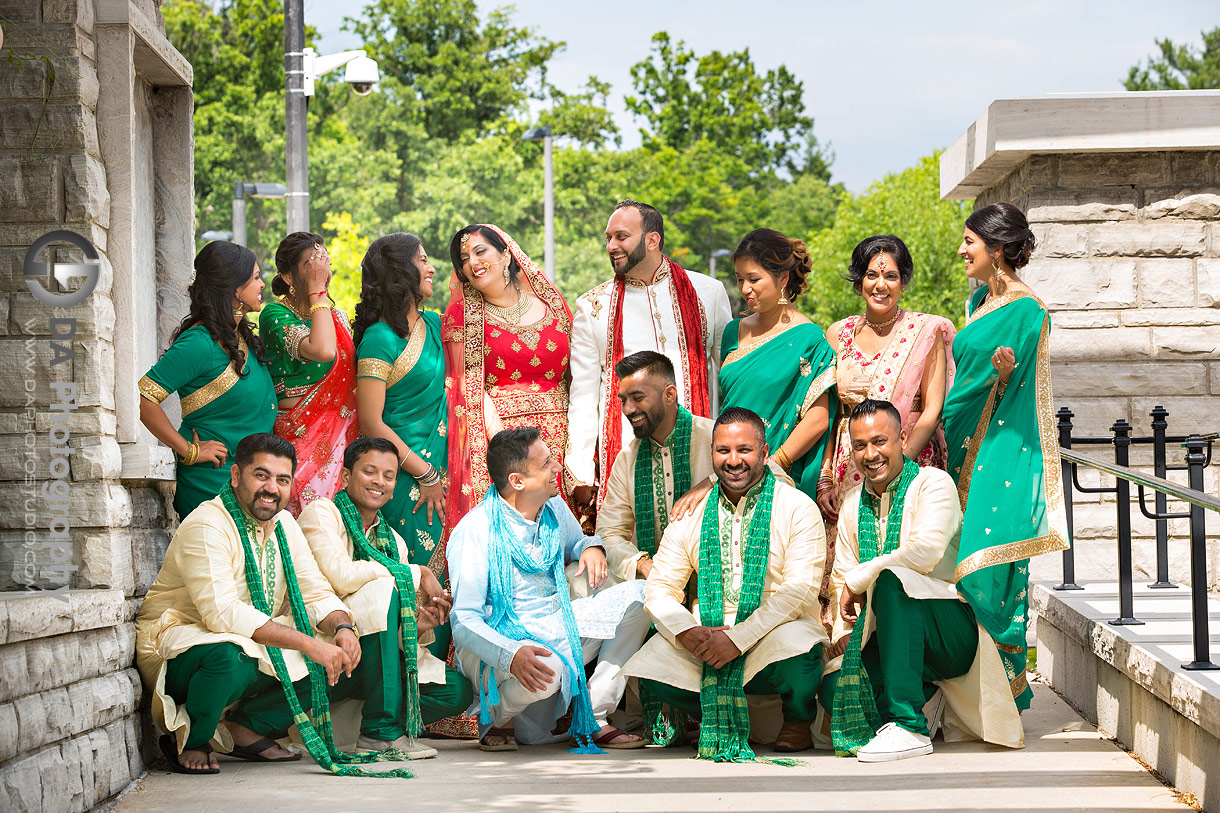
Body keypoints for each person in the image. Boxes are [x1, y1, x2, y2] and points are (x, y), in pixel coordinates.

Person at [134, 433, 412, 778]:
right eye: (261, 475)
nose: (271, 488)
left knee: (342, 656)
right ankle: (193, 741)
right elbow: (222, 614)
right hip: (183, 644)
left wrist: (342, 627)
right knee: (228, 656)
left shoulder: (283, 525)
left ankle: (246, 729)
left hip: (250, 642)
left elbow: (314, 591)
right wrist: (309, 644)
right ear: (236, 476)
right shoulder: (208, 524)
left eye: (282, 480)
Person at [623, 407, 829, 759]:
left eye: (744, 450)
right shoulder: (692, 514)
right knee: (651, 668)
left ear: (764, 453)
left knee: (799, 649)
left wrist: (738, 638)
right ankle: (716, 716)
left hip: (770, 636)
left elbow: (800, 591)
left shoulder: (796, 507)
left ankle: (797, 720)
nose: (733, 460)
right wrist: (687, 631)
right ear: (712, 454)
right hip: (707, 639)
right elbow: (660, 587)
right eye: (723, 451)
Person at [828, 399, 1022, 761]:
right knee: (834, 689)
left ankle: (909, 727)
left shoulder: (933, 483)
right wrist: (841, 632)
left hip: (949, 635)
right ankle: (924, 700)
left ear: (902, 438)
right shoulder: (853, 501)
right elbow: (842, 572)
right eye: (859, 446)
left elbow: (926, 551)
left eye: (880, 441)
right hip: (885, 635)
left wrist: (862, 578)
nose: (870, 454)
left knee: (891, 580)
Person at [448, 427, 651, 751]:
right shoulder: (475, 530)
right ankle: (496, 716)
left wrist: (590, 546)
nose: (557, 468)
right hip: (502, 636)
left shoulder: (553, 509)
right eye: (545, 465)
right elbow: (464, 621)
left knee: (641, 597)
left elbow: (577, 541)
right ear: (517, 481)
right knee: (549, 668)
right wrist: (510, 655)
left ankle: (595, 714)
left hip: (557, 622)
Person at [942, 202, 1068, 712]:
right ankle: (966, 693)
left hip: (997, 447)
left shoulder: (1028, 309)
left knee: (984, 571)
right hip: (958, 442)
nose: (961, 250)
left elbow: (1024, 389)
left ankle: (1000, 697)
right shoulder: (978, 303)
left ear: (996, 249)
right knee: (952, 566)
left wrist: (1006, 373)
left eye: (969, 242)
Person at [297, 437, 476, 759]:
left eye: (389, 476)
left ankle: (360, 726)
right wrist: (418, 572)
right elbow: (339, 576)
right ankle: (380, 732)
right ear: (347, 476)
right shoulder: (322, 514)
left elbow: (389, 628)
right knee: (381, 589)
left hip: (376, 654)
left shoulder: (392, 541)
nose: (379, 481)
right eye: (370, 471)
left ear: (394, 486)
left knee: (455, 691)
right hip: (329, 638)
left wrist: (416, 624)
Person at [565, 200, 732, 515]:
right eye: (608, 238)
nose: (611, 246)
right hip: (628, 451)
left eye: (621, 237)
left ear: (652, 240)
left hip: (698, 452)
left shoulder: (707, 292)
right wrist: (581, 468)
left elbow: (726, 375)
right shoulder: (593, 306)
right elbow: (584, 394)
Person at [817, 236, 955, 582]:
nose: (881, 285)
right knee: (844, 566)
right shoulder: (839, 334)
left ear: (903, 282)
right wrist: (825, 478)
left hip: (907, 459)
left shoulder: (925, 331)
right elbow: (832, 413)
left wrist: (898, 466)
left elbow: (931, 411)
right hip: (849, 463)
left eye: (891, 276)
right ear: (859, 281)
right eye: (871, 275)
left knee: (902, 559)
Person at [443, 224, 573, 528]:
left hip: (566, 442)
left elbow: (575, 377)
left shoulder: (552, 306)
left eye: (480, 251)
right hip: (510, 445)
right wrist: (512, 451)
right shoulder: (464, 318)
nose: (472, 263)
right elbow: (468, 388)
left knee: (575, 538)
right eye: (463, 259)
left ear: (505, 253)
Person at [138, 241, 277, 520]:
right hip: (212, 488)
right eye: (255, 278)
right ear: (234, 289)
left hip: (249, 485)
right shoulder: (199, 343)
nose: (263, 285)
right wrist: (188, 451)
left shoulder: (241, 339)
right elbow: (143, 399)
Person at [716, 229, 836, 503]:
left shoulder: (809, 340)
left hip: (776, 477)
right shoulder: (732, 332)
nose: (745, 289)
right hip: (727, 470)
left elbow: (817, 419)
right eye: (740, 279)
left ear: (782, 278)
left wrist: (770, 466)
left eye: (754, 279)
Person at [260, 232, 359, 515]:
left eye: (324, 261)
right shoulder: (274, 313)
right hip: (299, 438)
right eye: (311, 264)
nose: (322, 271)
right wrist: (318, 293)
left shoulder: (336, 316)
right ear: (288, 277)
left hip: (342, 439)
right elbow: (323, 351)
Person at [596, 351, 714, 585]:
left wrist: (714, 482)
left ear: (669, 395)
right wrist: (641, 563)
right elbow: (609, 533)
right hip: (653, 583)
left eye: (637, 398)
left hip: (716, 578)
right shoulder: (627, 459)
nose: (628, 409)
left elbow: (775, 478)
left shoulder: (715, 438)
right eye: (623, 400)